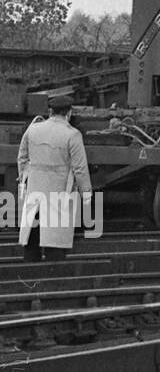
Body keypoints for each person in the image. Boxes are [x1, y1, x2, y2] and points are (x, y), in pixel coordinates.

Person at [16, 95, 92, 263]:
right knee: (55, 239)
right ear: (69, 113)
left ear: (50, 111)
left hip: (34, 189)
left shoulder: (33, 129)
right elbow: (80, 168)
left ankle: (31, 272)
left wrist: (24, 180)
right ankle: (54, 276)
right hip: (59, 192)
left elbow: (21, 158)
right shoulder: (73, 135)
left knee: (32, 235)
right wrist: (86, 193)